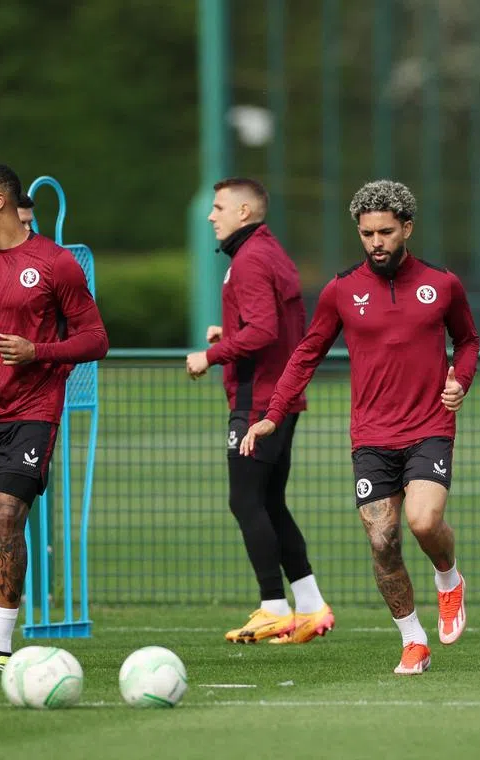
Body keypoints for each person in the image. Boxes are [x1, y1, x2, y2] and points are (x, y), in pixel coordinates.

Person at [240, 179, 480, 675]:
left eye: (386, 232)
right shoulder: (341, 290)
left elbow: (469, 340)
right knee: (381, 540)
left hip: (429, 425)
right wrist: (271, 415)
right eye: (367, 233)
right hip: (370, 436)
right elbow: (305, 354)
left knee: (423, 522)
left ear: (407, 228)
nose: (376, 242)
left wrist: (462, 380)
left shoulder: (443, 283)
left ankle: (448, 578)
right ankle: (413, 639)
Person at [0, 163, 108, 672]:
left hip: (31, 413)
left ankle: (1, 645)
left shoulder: (55, 263)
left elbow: (96, 339)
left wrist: (39, 352)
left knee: (8, 519)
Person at [185, 177, 333, 644]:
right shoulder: (270, 252)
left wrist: (209, 356)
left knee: (245, 500)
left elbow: (265, 331)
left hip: (258, 399)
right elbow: (272, 324)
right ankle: (310, 607)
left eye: (219, 207)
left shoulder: (249, 260)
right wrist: (225, 332)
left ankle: (273, 606)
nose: (212, 215)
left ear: (244, 212)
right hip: (282, 396)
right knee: (269, 501)